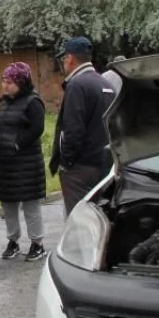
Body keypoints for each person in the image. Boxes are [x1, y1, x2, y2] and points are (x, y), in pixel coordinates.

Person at [48, 37, 114, 221]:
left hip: (80, 168)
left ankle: (80, 251)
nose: (63, 63)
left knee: (79, 222)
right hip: (104, 164)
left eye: (63, 59)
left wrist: (66, 163)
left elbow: (72, 130)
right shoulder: (106, 84)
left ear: (70, 58)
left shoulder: (77, 85)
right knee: (99, 219)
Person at [0, 63, 48, 262]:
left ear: (21, 83)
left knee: (30, 205)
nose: (5, 86)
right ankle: (13, 241)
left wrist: (17, 144)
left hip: (27, 163)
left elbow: (37, 129)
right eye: (3, 81)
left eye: (9, 82)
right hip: (6, 164)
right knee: (8, 205)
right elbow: (1, 127)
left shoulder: (33, 102)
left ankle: (37, 243)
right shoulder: (5, 102)